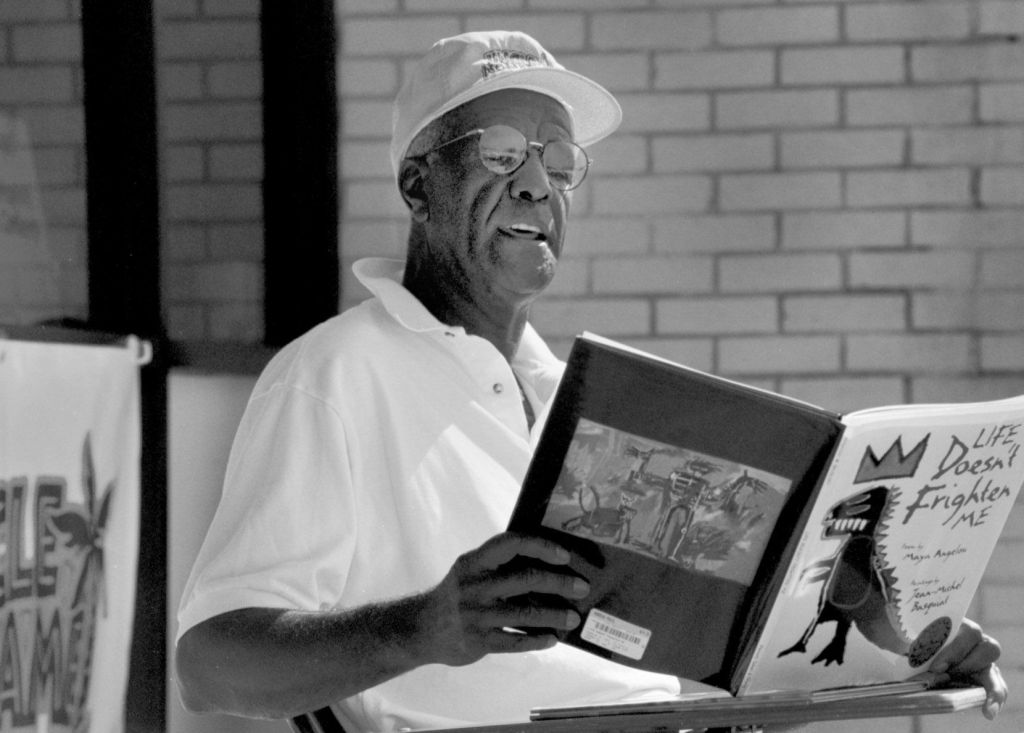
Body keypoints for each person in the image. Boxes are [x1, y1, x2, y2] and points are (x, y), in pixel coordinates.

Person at [174, 30, 1007, 732]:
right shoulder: (333, 374)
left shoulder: (583, 394)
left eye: (559, 159)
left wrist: (899, 646)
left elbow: (736, 646)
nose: (537, 181)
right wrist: (424, 625)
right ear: (417, 185)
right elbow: (211, 666)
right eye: (501, 153)